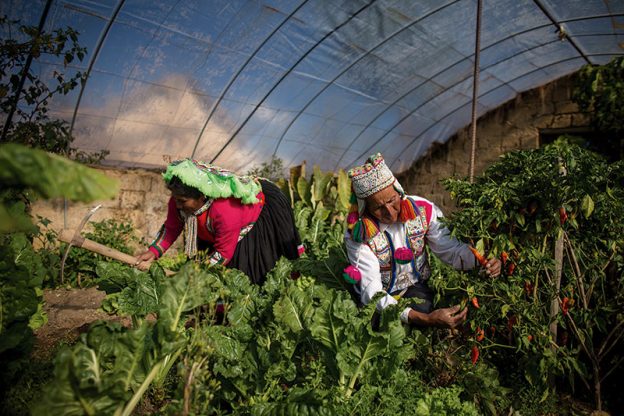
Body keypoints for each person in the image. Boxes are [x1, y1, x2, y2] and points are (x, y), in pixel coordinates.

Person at [344, 153, 501, 329]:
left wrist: (483, 261)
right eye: (379, 207)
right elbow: (372, 293)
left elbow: (450, 250)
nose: (389, 212)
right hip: (379, 297)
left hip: (414, 288)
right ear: (366, 208)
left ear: (399, 190)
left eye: (391, 200)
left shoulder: (423, 210)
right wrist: (426, 319)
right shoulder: (358, 234)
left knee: (423, 312)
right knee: (381, 329)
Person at [135, 158, 304, 284]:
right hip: (216, 225)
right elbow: (172, 228)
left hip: (261, 207)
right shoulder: (179, 201)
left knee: (250, 272)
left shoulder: (225, 209)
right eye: (176, 199)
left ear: (201, 196)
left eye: (183, 201)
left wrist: (195, 274)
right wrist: (153, 252)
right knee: (202, 271)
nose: (177, 205)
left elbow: (223, 253)